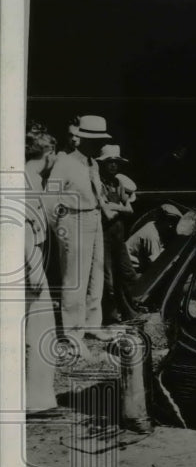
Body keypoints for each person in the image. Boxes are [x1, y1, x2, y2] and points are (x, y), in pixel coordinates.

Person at [45, 115, 114, 353]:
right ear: (81, 139)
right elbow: (50, 198)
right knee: (75, 278)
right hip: (73, 220)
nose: (99, 145)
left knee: (96, 273)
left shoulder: (92, 163)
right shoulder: (65, 162)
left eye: (101, 140)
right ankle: (73, 333)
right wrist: (61, 228)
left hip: (94, 218)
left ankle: (92, 323)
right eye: (94, 140)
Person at [24, 129, 60, 409]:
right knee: (40, 331)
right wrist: (34, 267)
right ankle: (37, 400)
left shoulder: (31, 178)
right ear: (48, 155)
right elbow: (21, 227)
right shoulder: (25, 181)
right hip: (29, 260)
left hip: (32, 258)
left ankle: (38, 396)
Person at [96, 145, 141, 323]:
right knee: (107, 278)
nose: (113, 166)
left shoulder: (118, 183)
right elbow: (104, 210)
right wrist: (119, 208)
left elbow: (129, 210)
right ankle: (109, 318)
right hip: (103, 236)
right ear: (102, 164)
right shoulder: (98, 183)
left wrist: (115, 207)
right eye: (109, 162)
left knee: (127, 273)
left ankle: (129, 312)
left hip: (118, 236)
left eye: (116, 162)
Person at [128, 204, 183, 272]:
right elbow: (156, 265)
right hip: (128, 267)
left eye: (173, 222)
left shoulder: (154, 225)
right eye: (168, 220)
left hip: (136, 262)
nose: (171, 226)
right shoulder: (152, 235)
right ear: (161, 219)